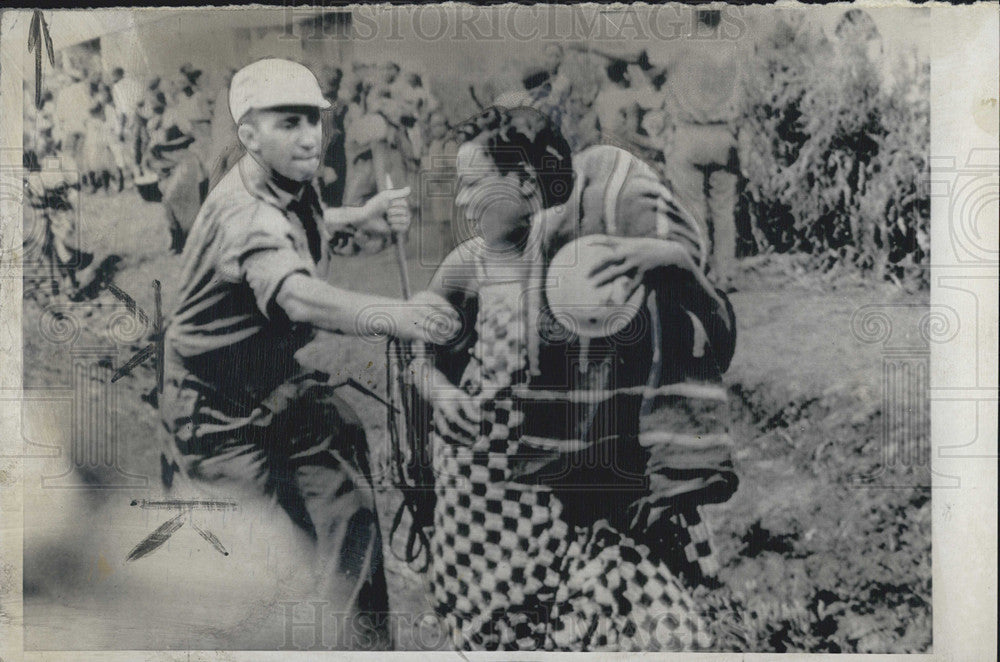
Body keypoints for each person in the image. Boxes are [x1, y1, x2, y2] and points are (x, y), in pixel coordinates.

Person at [405, 107, 737, 650]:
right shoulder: (471, 266)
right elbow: (420, 354)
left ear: (524, 182)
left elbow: (717, 346)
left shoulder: (597, 260)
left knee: (650, 633)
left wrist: (679, 268)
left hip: (583, 503)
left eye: (472, 186)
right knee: (501, 637)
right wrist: (440, 392)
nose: (461, 202)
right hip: (486, 508)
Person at [159, 58, 460, 649]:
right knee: (260, 575)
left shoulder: (278, 182)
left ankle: (366, 650)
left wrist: (361, 214)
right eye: (289, 122)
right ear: (248, 135)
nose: (309, 136)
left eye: (315, 121)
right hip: (216, 414)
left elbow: (304, 223)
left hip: (274, 385)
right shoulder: (247, 216)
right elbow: (297, 297)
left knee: (351, 513)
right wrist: (393, 315)